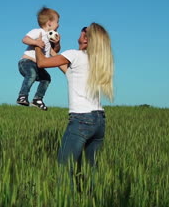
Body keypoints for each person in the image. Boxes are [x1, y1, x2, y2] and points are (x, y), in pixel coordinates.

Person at [34, 23, 114, 186]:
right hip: (99, 120)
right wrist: (51, 44)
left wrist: (37, 44)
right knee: (92, 172)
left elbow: (42, 63)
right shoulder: (96, 61)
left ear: (85, 38)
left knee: (65, 171)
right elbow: (58, 61)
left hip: (81, 119)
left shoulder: (75, 55)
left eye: (83, 32)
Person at [16, 7, 61, 111]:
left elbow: (55, 52)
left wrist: (57, 44)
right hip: (26, 62)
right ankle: (22, 96)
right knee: (31, 74)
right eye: (57, 22)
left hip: (38, 66)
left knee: (46, 78)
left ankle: (38, 99)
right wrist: (36, 42)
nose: (58, 25)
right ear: (49, 23)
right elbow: (25, 39)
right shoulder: (38, 31)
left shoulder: (50, 38)